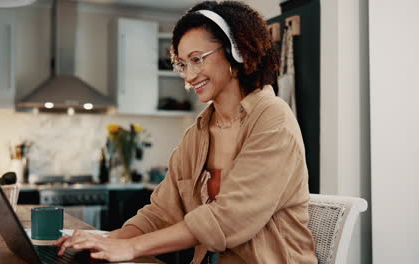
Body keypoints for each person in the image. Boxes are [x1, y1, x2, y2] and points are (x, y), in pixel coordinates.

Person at [54, 1, 317, 263]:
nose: (188, 76)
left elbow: (229, 218)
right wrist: (107, 241)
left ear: (235, 52)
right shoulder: (198, 134)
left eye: (196, 60)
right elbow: (161, 212)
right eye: (182, 64)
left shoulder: (272, 118)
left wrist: (132, 248)